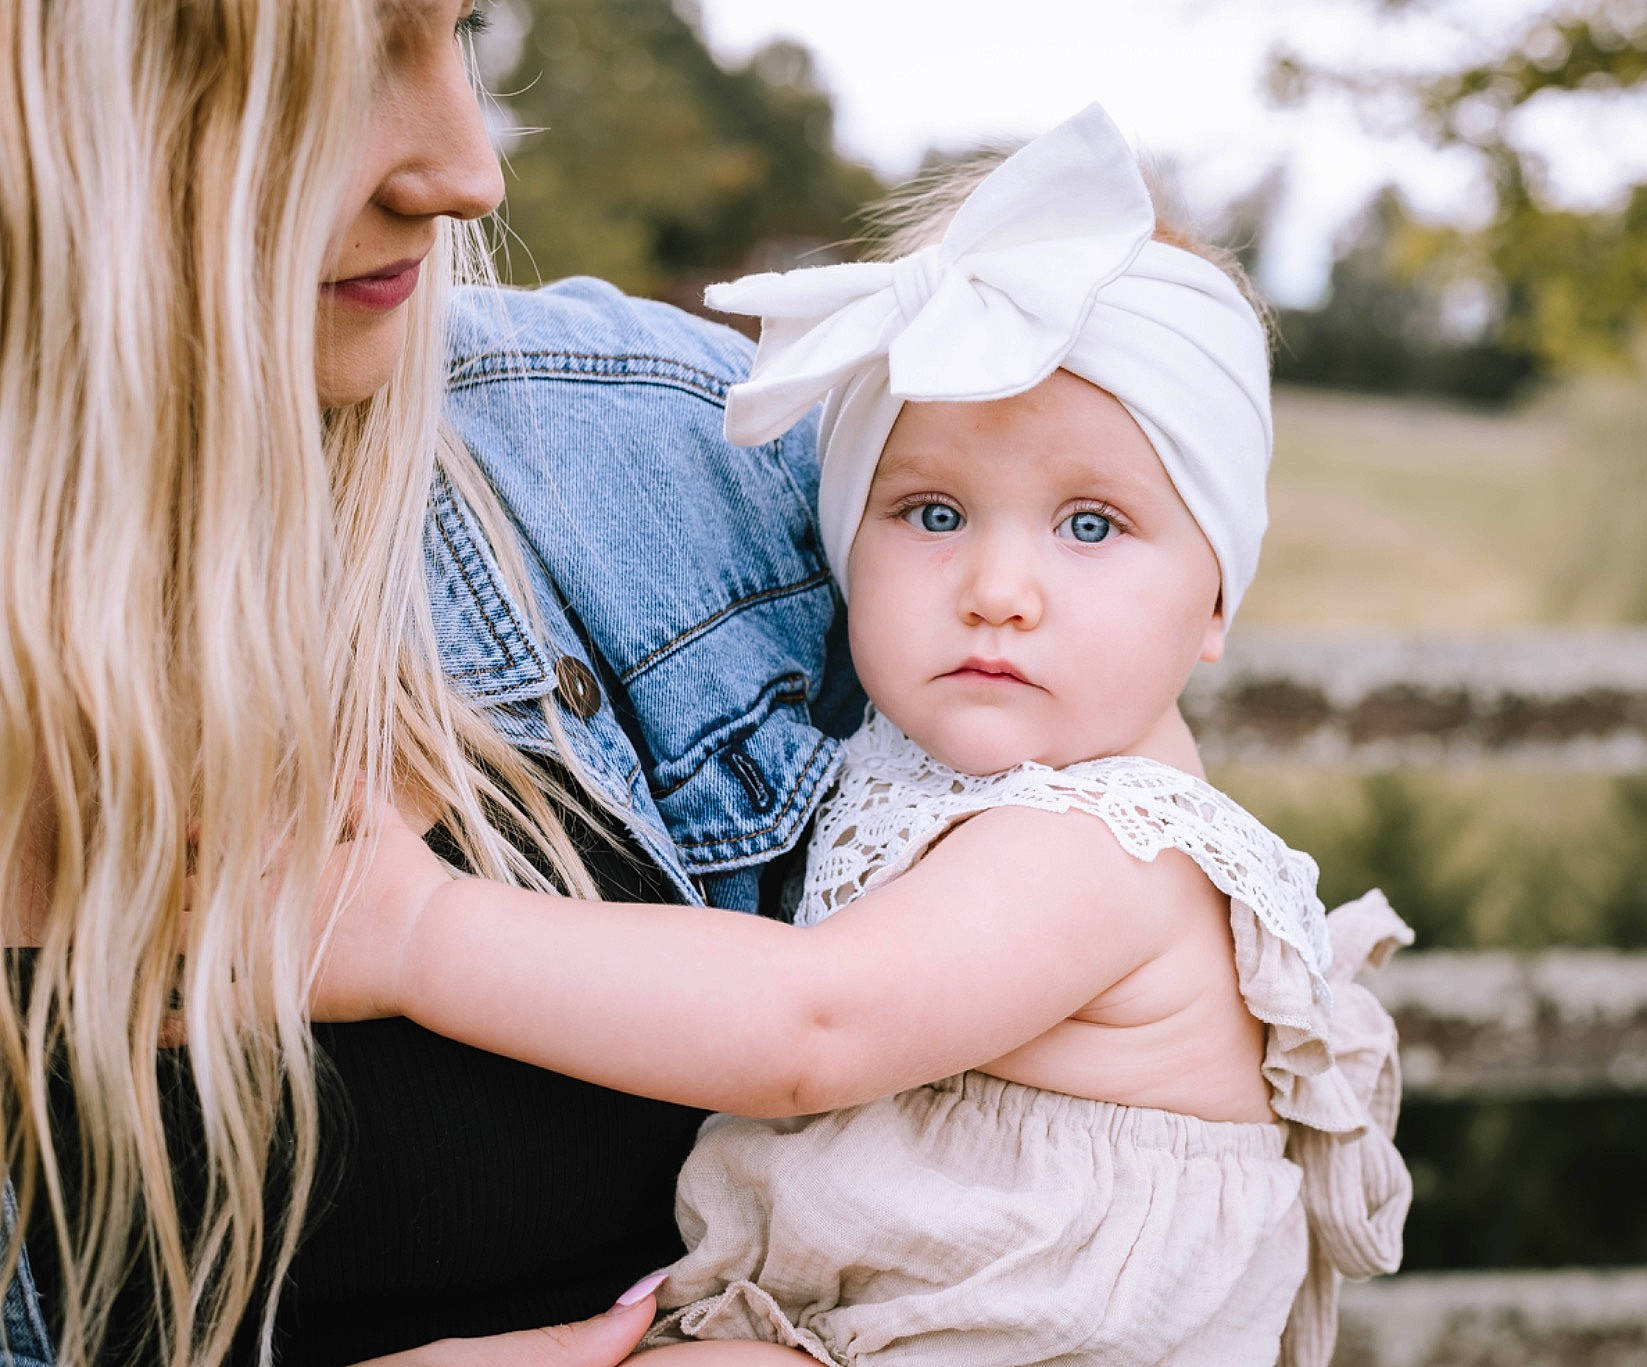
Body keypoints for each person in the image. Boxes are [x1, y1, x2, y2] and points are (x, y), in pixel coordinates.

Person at [317, 106, 1413, 1367]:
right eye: (932, 510)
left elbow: (807, 1029)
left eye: (1092, 525)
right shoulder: (917, 771)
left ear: (1216, 598)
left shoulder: (1109, 844)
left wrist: (413, 931)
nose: (999, 584)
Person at [0, 1, 854, 1363]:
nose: (466, 172)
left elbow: (1164, 1138)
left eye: (457, 28)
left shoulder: (682, 454)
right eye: (337, 62)